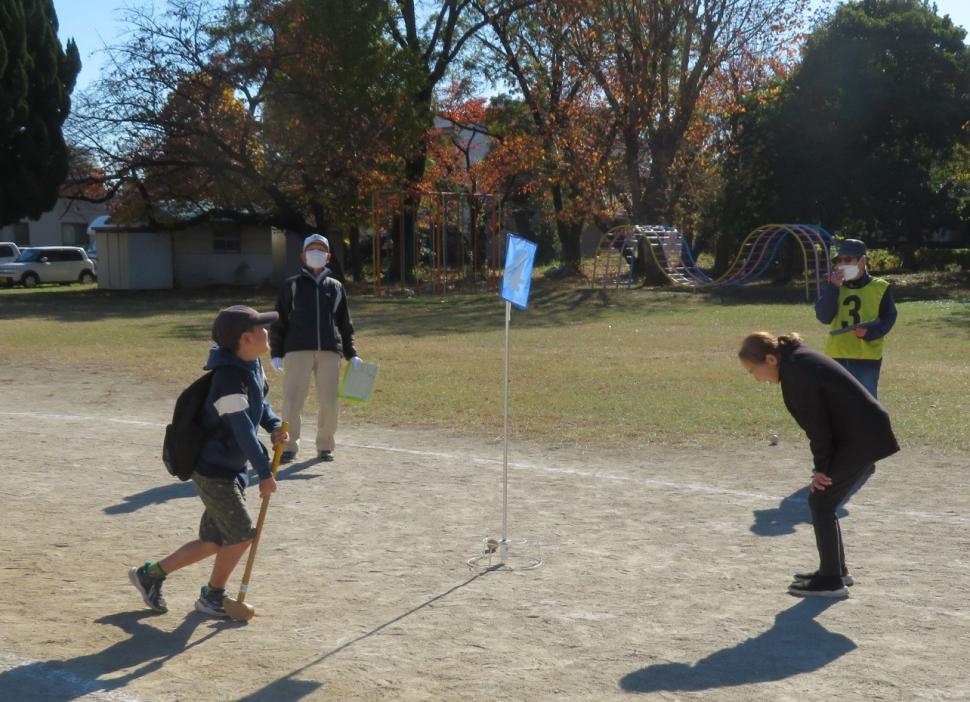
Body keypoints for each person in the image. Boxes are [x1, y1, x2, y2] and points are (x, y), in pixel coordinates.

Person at [129, 305, 289, 617]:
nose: (267, 332)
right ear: (245, 338)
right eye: (261, 328)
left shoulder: (251, 364)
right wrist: (264, 472)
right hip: (214, 470)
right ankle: (212, 597)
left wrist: (272, 425)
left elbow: (260, 402)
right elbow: (242, 429)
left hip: (230, 467)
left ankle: (148, 575)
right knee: (242, 533)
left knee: (213, 542)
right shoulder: (228, 379)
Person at [738, 331, 899, 598]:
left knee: (821, 501)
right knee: (823, 501)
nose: (756, 378)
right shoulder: (795, 361)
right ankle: (835, 571)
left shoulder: (796, 372)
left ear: (770, 359)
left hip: (862, 436)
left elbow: (818, 427)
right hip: (860, 433)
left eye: (754, 370)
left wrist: (821, 470)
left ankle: (832, 581)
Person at [270, 233, 362, 463]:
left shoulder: (336, 287)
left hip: (330, 351)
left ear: (328, 256)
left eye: (321, 250)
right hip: (296, 350)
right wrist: (277, 353)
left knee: (329, 401)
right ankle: (289, 446)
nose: (316, 253)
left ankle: (325, 446)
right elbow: (279, 321)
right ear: (303, 256)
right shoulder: (291, 285)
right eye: (312, 249)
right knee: (292, 400)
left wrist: (352, 353)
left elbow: (344, 323)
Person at [815, 238, 897, 398]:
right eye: (839, 260)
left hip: (866, 357)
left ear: (862, 260)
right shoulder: (834, 285)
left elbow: (888, 318)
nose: (842, 264)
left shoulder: (880, 287)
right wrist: (833, 288)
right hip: (837, 354)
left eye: (848, 259)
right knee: (837, 402)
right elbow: (824, 317)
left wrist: (869, 333)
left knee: (866, 402)